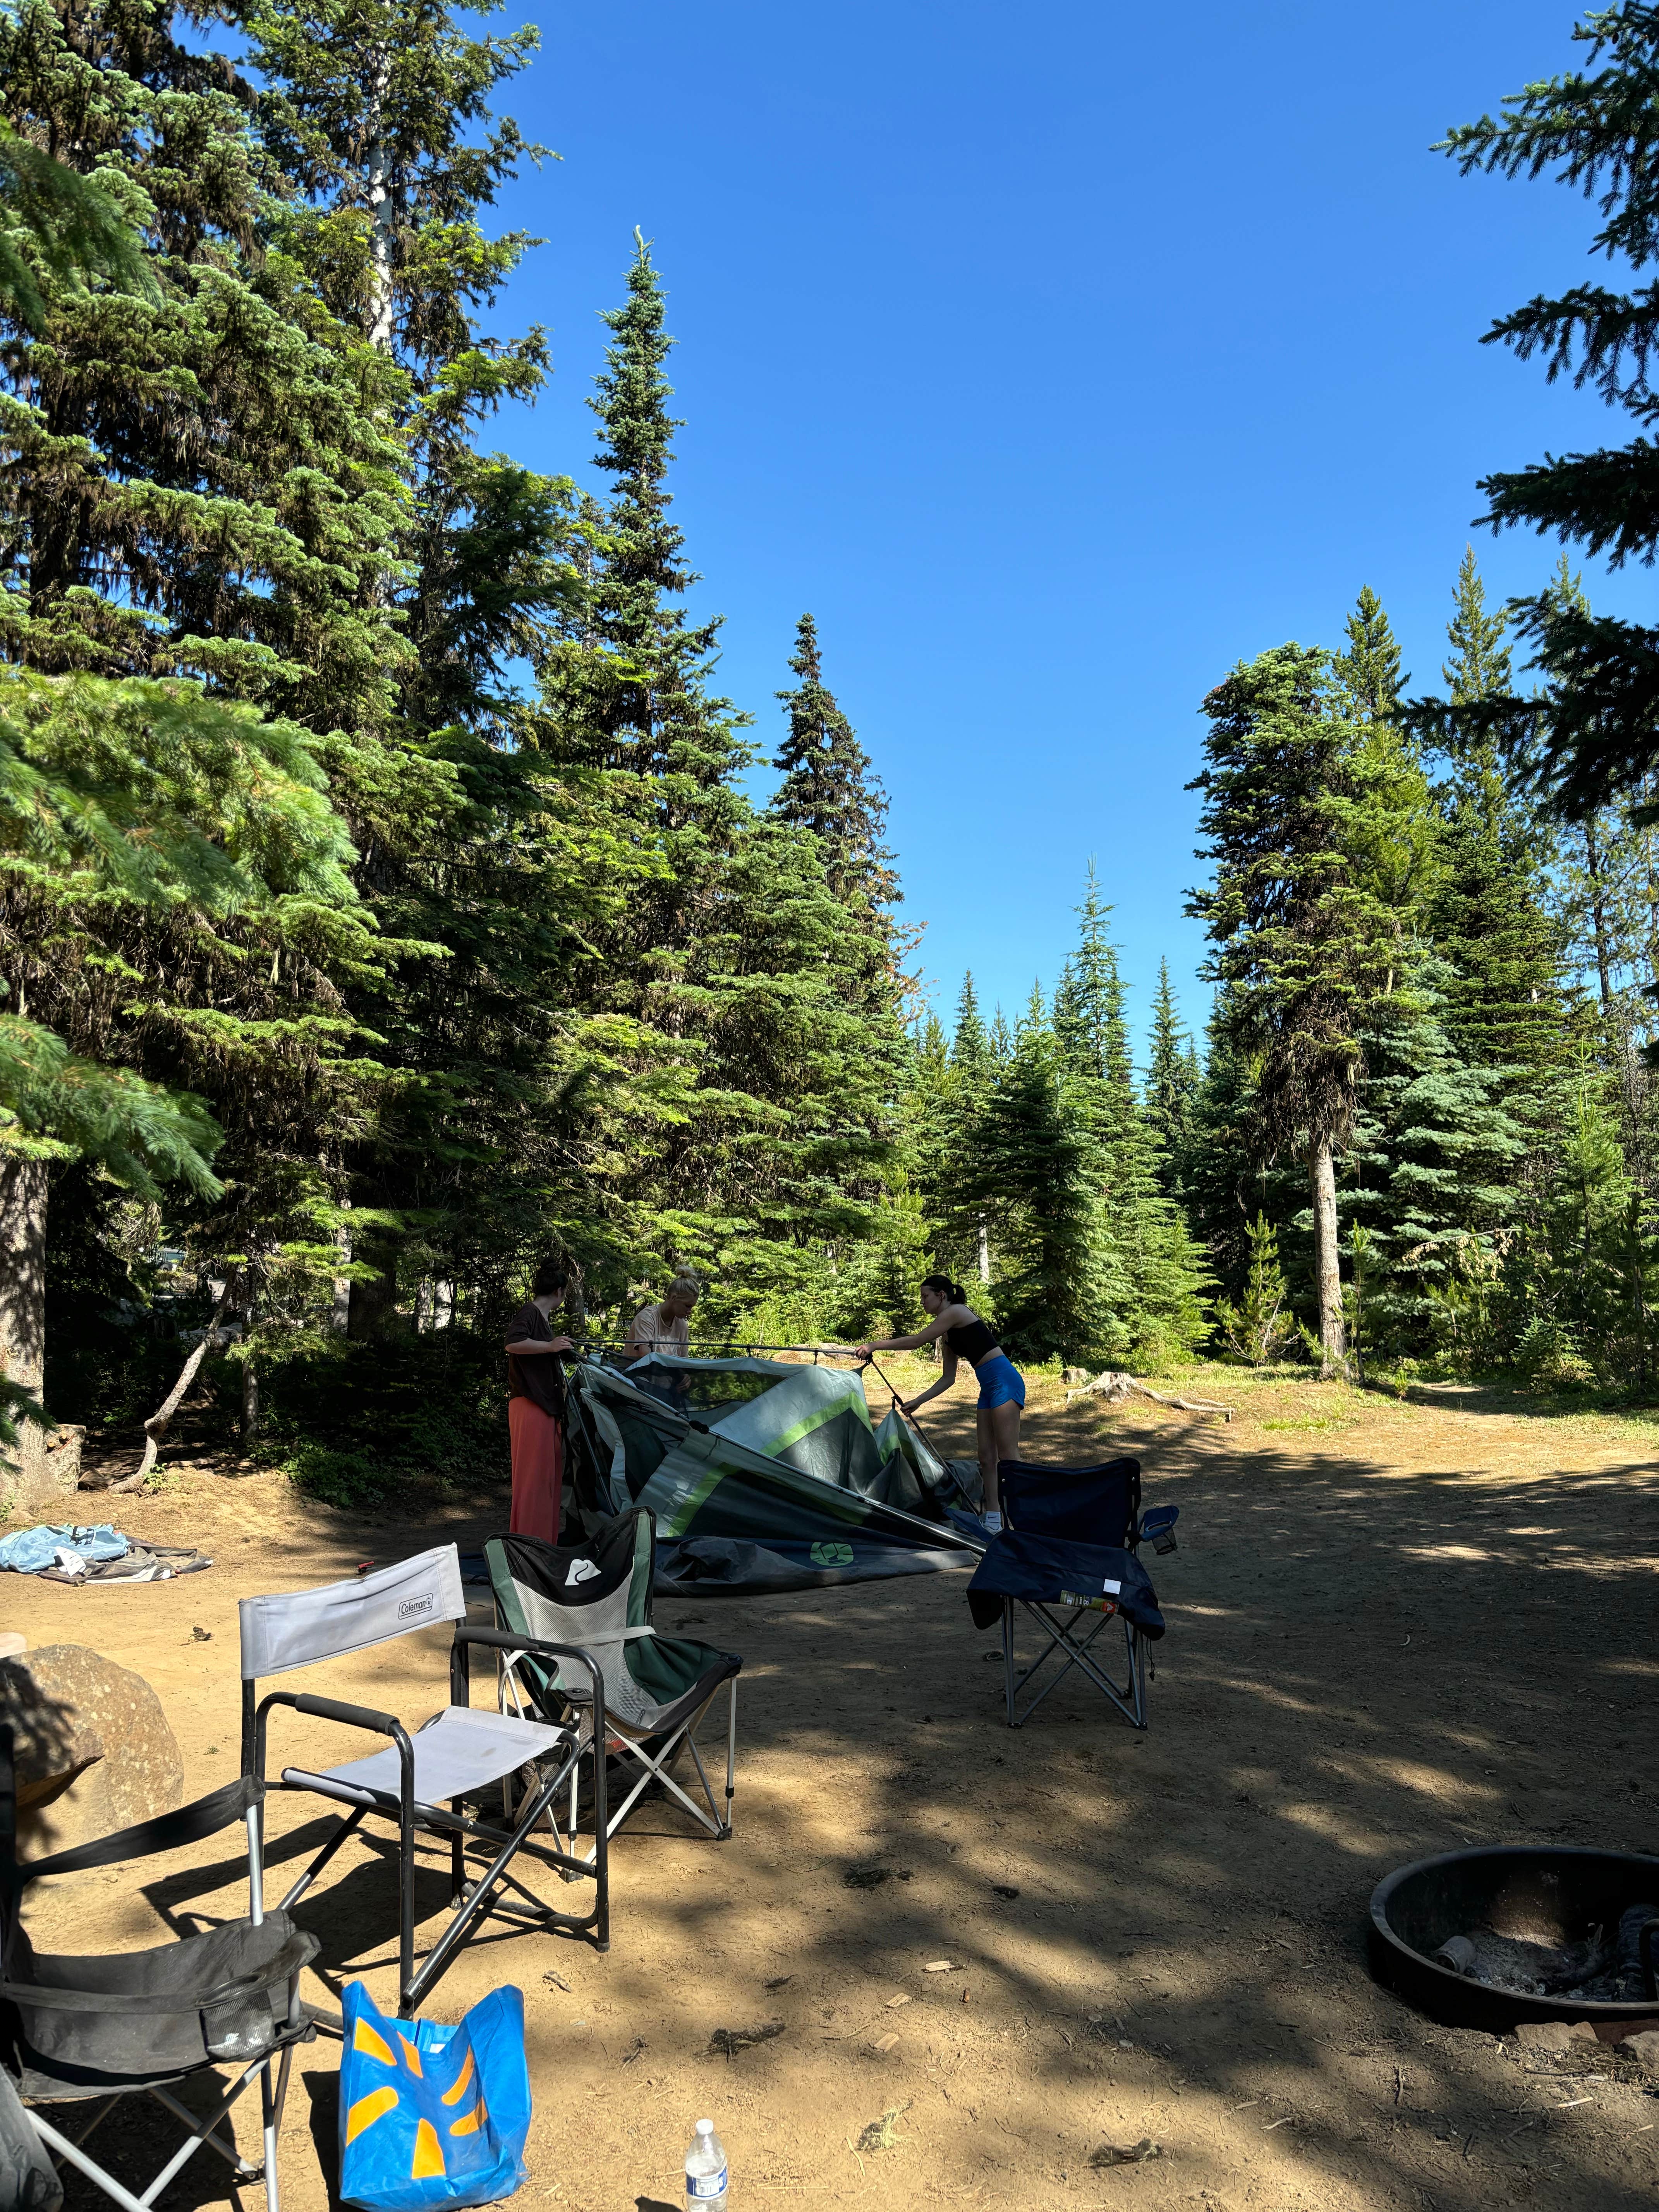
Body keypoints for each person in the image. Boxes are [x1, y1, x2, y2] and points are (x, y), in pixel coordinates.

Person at [858, 1275, 1025, 1531]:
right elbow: (949, 1378)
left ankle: (1022, 1519)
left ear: (942, 1295)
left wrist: (875, 1345)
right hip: (988, 1388)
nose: (923, 1302)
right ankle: (994, 1520)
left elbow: (916, 1341)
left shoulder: (956, 1312)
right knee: (986, 1458)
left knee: (1008, 1457)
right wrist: (919, 1401)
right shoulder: (948, 1334)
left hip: (1004, 1381)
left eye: (926, 1296)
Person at [504, 1257, 575, 1542]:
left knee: (546, 1477)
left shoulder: (542, 1318)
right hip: (530, 1405)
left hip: (544, 1407)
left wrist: (557, 1349)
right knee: (533, 1479)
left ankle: (543, 1542)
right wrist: (549, 1346)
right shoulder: (530, 1312)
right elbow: (512, 1342)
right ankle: (529, 1543)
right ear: (559, 1291)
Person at [624, 1273, 700, 1364]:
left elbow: (684, 1362)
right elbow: (646, 1360)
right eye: (687, 1306)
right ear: (674, 1298)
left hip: (667, 1377)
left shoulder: (682, 1325)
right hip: (638, 1376)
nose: (690, 1311)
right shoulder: (647, 1318)